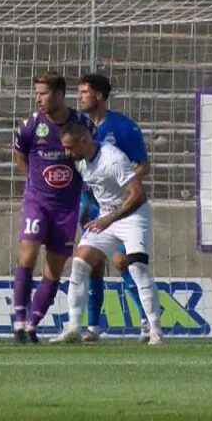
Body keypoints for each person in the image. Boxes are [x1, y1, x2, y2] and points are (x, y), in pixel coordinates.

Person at [52, 122, 162, 346]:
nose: (67, 153)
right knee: (80, 262)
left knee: (137, 268)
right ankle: (74, 327)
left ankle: (156, 331)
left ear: (84, 141)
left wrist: (109, 219)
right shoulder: (81, 160)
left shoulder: (112, 159)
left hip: (133, 216)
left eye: (70, 147)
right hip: (106, 216)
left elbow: (138, 195)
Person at [12, 71, 93, 343]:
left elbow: (90, 155)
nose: (38, 99)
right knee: (27, 255)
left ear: (59, 94)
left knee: (53, 271)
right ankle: (18, 321)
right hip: (37, 202)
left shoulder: (82, 125)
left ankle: (32, 325)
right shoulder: (31, 125)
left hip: (67, 208)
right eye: (36, 93)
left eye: (43, 93)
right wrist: (32, 181)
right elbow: (20, 154)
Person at [77, 73, 153, 342]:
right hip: (89, 204)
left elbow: (143, 165)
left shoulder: (123, 127)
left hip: (119, 206)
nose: (80, 97)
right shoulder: (79, 127)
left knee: (122, 261)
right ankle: (93, 326)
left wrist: (122, 185)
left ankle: (147, 320)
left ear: (99, 96)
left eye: (85, 92)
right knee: (92, 263)